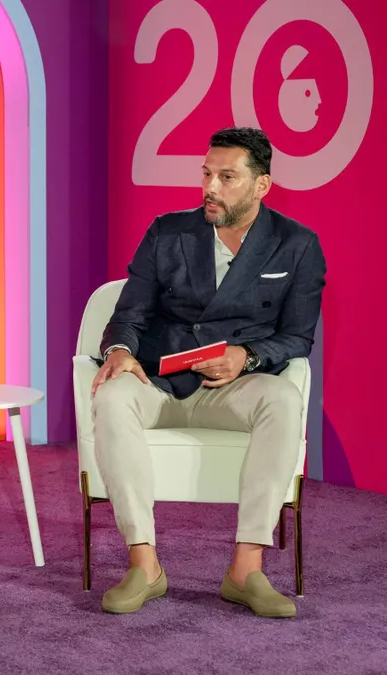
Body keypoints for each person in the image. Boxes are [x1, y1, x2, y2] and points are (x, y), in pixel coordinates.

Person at [91, 127, 325, 618]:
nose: (210, 188)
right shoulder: (167, 231)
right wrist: (118, 349)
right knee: (112, 396)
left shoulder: (297, 245)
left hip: (233, 388)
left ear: (260, 185)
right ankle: (144, 566)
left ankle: (246, 571)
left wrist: (247, 355)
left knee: (283, 400)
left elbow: (297, 338)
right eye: (206, 174)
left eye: (226, 177)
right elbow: (128, 314)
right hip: (160, 382)